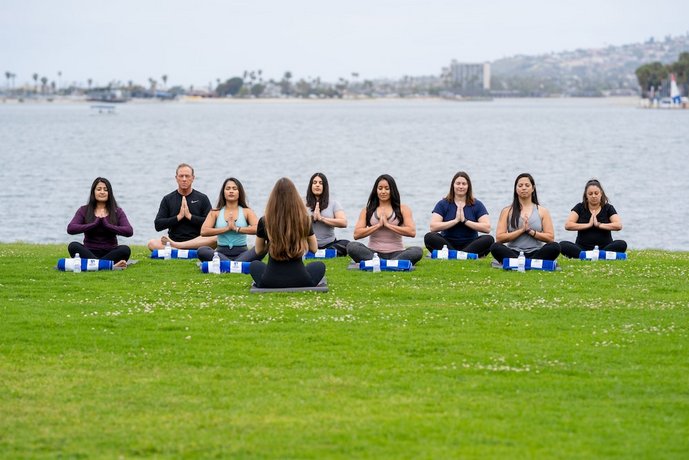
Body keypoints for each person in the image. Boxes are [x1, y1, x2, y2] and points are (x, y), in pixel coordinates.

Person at [249, 178, 326, 288]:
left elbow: (258, 250)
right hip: (302, 280)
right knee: (319, 265)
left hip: (270, 281)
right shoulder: (304, 220)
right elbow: (314, 248)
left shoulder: (265, 221)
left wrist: (273, 242)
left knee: (255, 265)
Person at [346, 174, 423, 265]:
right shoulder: (367, 210)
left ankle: (380, 263)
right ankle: (390, 263)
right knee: (352, 246)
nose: (383, 191)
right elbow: (356, 234)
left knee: (417, 250)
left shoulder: (403, 209)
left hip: (397, 252)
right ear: (376, 190)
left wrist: (388, 225)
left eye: (387, 188)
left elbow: (412, 232)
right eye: (380, 188)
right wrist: (378, 226)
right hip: (373, 253)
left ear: (392, 190)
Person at [490, 173, 560, 262]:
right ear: (516, 189)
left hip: (536, 252)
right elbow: (499, 238)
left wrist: (530, 231)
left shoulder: (542, 211)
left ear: (533, 188)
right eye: (520, 185)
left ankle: (521, 263)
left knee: (555, 246)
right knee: (495, 247)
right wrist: (521, 230)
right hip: (513, 252)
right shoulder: (507, 211)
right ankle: (530, 263)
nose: (523, 188)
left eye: (527, 185)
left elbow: (550, 238)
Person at [67, 177, 133, 268]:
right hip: (89, 252)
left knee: (125, 249)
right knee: (73, 246)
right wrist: (93, 224)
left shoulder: (117, 211)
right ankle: (107, 265)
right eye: (99, 189)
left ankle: (95, 265)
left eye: (105, 190)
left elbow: (129, 231)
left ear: (109, 193)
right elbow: (71, 228)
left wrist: (108, 225)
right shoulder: (84, 210)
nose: (102, 192)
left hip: (110, 252)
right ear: (93, 192)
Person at [424, 171, 494, 257]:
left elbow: (487, 228)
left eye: (464, 184)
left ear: (468, 186)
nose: (461, 186)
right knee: (429, 237)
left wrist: (465, 221)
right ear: (453, 185)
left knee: (489, 239)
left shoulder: (477, 204)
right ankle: (462, 255)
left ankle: (455, 255)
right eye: (458, 183)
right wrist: (455, 221)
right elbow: (433, 227)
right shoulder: (443, 204)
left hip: (471, 245)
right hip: (447, 244)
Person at [147, 163, 215, 250]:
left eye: (187, 176)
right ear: (176, 178)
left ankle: (178, 251)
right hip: (174, 241)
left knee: (216, 238)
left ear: (193, 178)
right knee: (152, 243)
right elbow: (158, 225)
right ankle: (183, 251)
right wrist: (178, 217)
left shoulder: (202, 198)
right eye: (181, 176)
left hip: (197, 242)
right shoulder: (168, 199)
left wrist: (190, 216)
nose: (184, 179)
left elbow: (211, 225)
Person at [560, 179, 627, 258]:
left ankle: (591, 255)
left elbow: (618, 225)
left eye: (596, 193)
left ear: (601, 194)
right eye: (590, 194)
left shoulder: (608, 208)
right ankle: (596, 255)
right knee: (562, 245)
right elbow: (568, 225)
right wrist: (589, 225)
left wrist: (599, 225)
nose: (593, 196)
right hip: (582, 248)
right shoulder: (579, 207)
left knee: (622, 244)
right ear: (586, 195)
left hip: (605, 247)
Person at [197, 177, 259, 262]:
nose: (231, 191)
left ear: (239, 192)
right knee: (202, 250)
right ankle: (235, 264)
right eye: (228, 188)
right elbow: (204, 231)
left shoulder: (247, 211)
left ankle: (228, 264)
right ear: (223, 192)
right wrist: (226, 229)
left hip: (242, 253)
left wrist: (236, 228)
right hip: (221, 254)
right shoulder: (215, 212)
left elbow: (258, 229)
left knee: (261, 247)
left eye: (234, 189)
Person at [305, 172, 349, 256]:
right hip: (308, 244)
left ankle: (317, 254)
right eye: (315, 183)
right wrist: (310, 218)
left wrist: (322, 219)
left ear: (324, 186)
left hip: (329, 244)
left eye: (320, 183)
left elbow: (344, 223)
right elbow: (293, 222)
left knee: (347, 244)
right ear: (311, 186)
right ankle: (324, 254)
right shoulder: (302, 202)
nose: (317, 185)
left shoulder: (333, 203)